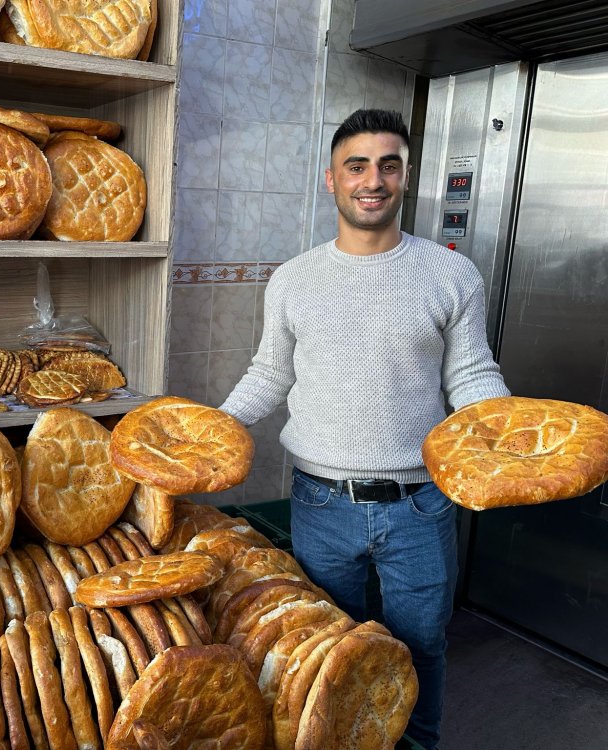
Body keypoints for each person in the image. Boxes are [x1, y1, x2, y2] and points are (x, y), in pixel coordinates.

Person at [219, 108, 509, 750]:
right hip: (321, 504)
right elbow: (269, 372)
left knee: (422, 645)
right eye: (357, 166)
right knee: (324, 654)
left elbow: (471, 374)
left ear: (405, 176)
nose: (372, 180)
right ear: (332, 179)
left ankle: (419, 744)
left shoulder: (452, 274)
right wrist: (215, 429)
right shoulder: (294, 280)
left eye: (388, 165)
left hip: (421, 505)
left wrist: (507, 434)